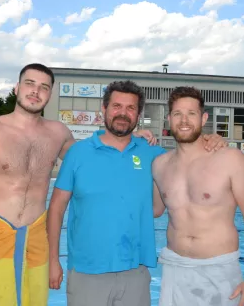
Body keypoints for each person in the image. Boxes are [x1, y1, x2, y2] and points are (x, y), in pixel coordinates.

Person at [0, 63, 158, 306]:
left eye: (43, 87)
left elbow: (92, 160)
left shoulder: (58, 134)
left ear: (50, 94)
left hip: (36, 239)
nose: (36, 91)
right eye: (30, 84)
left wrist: (133, 137)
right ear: (16, 88)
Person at [46, 80, 228, 306]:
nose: (123, 113)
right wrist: (53, 260)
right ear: (104, 109)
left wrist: (212, 139)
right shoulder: (78, 154)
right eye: (116, 106)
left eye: (130, 108)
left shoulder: (153, 154)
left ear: (138, 114)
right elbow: (56, 209)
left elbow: (159, 206)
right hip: (87, 271)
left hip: (136, 272)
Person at [151, 86, 244, 306]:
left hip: (220, 269)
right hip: (175, 269)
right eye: (177, 114)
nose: (184, 120)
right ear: (168, 119)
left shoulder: (230, 159)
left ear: (204, 118)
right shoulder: (159, 165)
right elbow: (155, 210)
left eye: (191, 114)